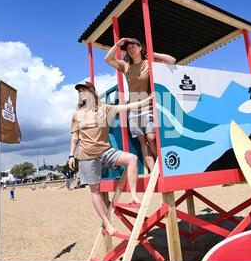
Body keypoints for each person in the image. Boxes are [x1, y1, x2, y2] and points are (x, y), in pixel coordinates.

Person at [69, 81, 152, 235]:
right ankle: (107, 224)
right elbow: (75, 136)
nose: (81, 93)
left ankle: (133, 195)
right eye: (79, 91)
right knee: (95, 191)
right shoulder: (76, 115)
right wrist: (71, 155)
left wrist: (147, 100)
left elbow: (125, 107)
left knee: (132, 159)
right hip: (86, 156)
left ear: (92, 92)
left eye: (84, 90)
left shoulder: (104, 108)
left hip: (105, 151)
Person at [104, 38, 176, 172]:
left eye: (133, 47)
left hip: (148, 106)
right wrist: (117, 45)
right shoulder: (126, 65)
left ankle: (161, 166)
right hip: (133, 109)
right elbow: (107, 59)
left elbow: (172, 61)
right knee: (143, 141)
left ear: (140, 48)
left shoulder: (148, 63)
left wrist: (153, 54)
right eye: (128, 48)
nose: (130, 49)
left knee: (151, 137)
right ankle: (154, 171)